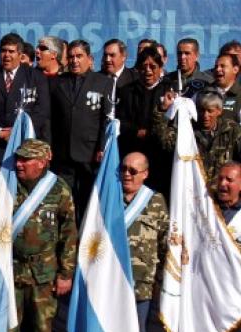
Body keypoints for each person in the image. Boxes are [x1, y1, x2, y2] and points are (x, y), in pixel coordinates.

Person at [0, 139, 77, 332]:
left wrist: (66, 273)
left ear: (41, 163)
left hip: (44, 271)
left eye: (26, 160)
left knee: (43, 327)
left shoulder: (59, 190)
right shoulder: (6, 187)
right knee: (10, 325)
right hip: (11, 269)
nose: (19, 164)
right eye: (18, 159)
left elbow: (69, 234)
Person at [0, 33, 50, 208]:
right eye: (3, 51)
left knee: (25, 202)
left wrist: (17, 131)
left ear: (21, 54)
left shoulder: (36, 78)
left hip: (26, 149)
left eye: (11, 51)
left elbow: (42, 110)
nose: (6, 55)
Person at [120, 152, 168, 332]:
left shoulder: (156, 201)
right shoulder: (109, 195)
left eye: (133, 171)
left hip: (142, 283)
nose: (127, 174)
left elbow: (164, 242)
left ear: (145, 174)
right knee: (106, 328)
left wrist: (160, 280)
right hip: (111, 281)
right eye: (124, 169)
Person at [50, 40, 110, 218]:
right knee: (63, 202)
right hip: (62, 154)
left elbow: (106, 119)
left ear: (90, 59)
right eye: (71, 57)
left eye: (79, 56)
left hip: (89, 154)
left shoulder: (104, 82)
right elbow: (51, 118)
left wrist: (101, 146)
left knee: (87, 203)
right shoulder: (57, 83)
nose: (74, 61)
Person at [153, 89, 241, 185]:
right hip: (192, 189)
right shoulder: (186, 128)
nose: (205, 115)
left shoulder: (231, 129)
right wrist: (162, 110)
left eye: (210, 111)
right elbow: (164, 142)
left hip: (222, 190)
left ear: (219, 111)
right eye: (201, 110)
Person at [117, 47, 171, 193]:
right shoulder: (126, 91)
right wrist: (136, 132)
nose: (148, 71)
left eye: (152, 66)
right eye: (143, 66)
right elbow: (119, 121)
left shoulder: (169, 91)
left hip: (160, 157)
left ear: (160, 68)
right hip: (133, 150)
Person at [214, 162, 241, 332]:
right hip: (209, 297)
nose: (223, 184)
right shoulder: (207, 210)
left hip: (236, 304)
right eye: (221, 178)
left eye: (230, 180)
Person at [212, 53, 241, 123]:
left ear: (235, 69)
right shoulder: (203, 93)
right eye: (216, 66)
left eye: (222, 66)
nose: (218, 69)